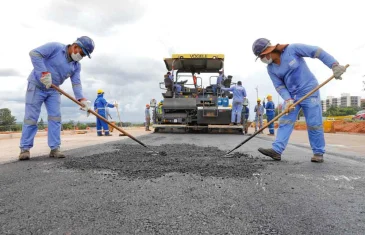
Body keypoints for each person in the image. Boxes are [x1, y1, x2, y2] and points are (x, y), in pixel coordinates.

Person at [252, 38, 346, 163]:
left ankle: (318, 152)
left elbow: (316, 51)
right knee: (285, 120)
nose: (263, 59)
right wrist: (288, 99)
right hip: (292, 96)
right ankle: (277, 150)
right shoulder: (271, 69)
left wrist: (334, 65)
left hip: (309, 91)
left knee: (314, 123)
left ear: (269, 50)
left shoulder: (292, 49)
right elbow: (279, 86)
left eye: (262, 56)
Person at [19, 36, 95, 160]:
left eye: (85, 56)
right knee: (31, 118)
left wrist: (81, 99)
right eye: (82, 53)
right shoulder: (55, 47)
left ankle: (55, 148)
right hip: (36, 86)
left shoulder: (76, 66)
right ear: (75, 47)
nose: (82, 57)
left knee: (55, 118)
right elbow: (34, 53)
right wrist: (43, 73)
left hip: (54, 90)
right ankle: (25, 149)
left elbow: (76, 83)